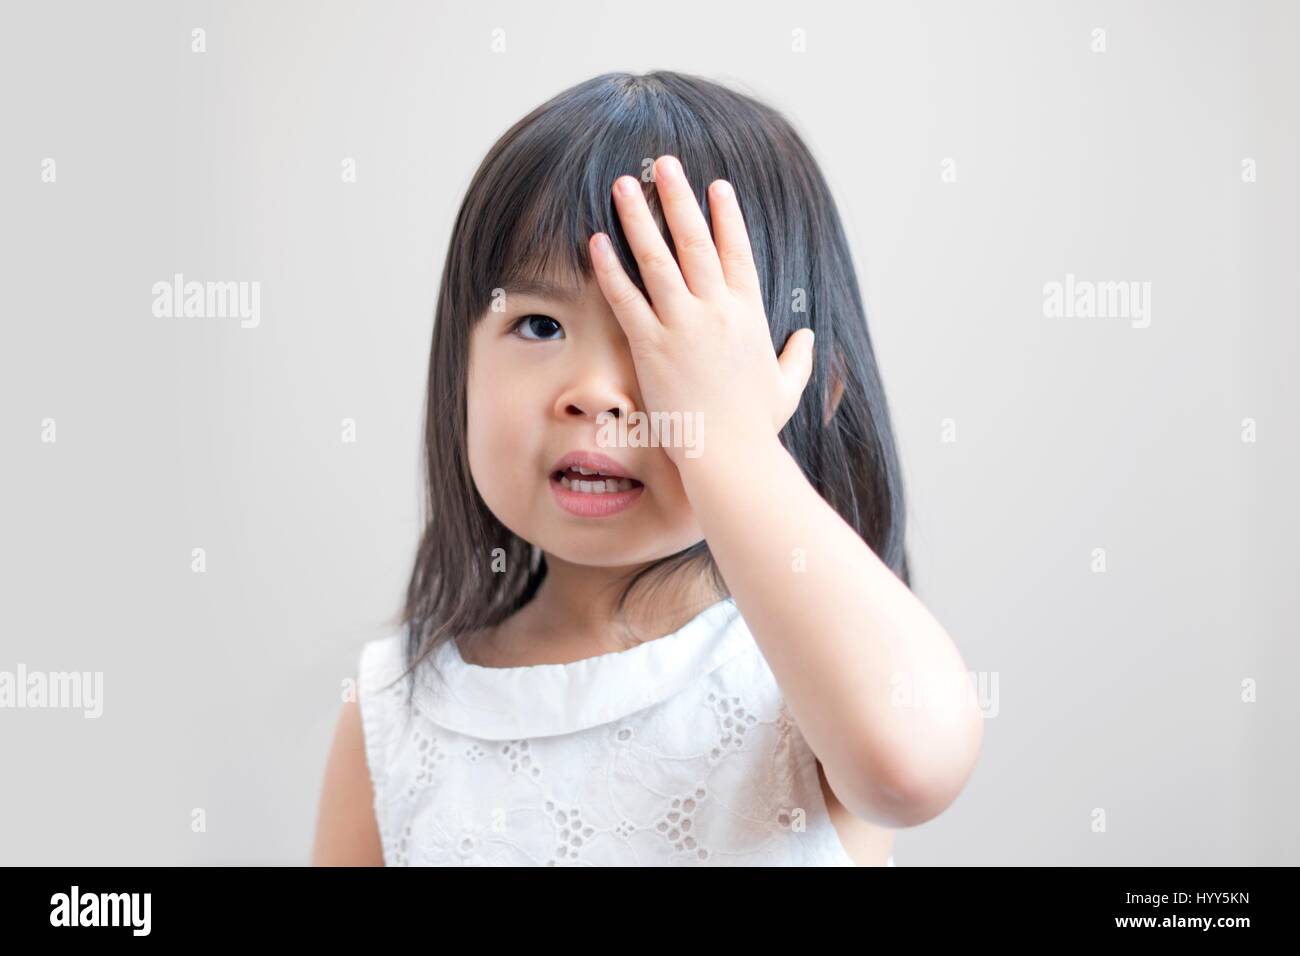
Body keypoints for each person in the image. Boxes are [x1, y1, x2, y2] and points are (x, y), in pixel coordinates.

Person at [312, 70, 983, 866]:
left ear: (811, 390)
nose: (593, 392)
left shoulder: (803, 677)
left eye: (664, 337)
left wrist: (727, 438)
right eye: (537, 324)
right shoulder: (397, 712)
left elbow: (912, 768)